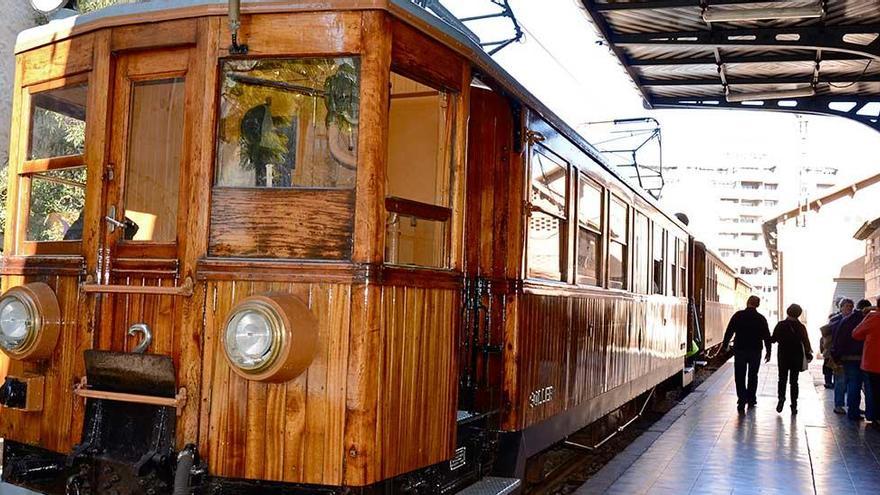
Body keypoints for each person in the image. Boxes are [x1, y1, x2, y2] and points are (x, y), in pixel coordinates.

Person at [722, 295, 772, 411]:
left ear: (747, 302)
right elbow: (767, 336)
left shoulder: (738, 315)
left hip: (740, 350)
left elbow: (729, 331)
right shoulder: (761, 318)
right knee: (753, 375)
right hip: (755, 350)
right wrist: (768, 352)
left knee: (740, 375)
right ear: (757, 305)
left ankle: (742, 399)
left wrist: (725, 345)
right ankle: (751, 398)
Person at [831, 299, 873, 420]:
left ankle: (852, 410)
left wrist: (837, 356)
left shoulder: (846, 320)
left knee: (853, 383)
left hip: (848, 357)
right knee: (867, 386)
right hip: (864, 357)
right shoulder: (868, 320)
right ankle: (869, 413)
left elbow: (838, 339)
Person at [771, 304, 813, 414]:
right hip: (796, 356)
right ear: (799, 314)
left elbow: (773, 339)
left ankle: (781, 399)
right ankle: (794, 405)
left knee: (782, 379)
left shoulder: (781, 325)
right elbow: (806, 341)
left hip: (783, 355)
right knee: (794, 381)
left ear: (788, 312)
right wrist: (808, 354)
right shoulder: (801, 327)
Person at [853, 299, 880, 431]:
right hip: (873, 363)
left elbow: (856, 334)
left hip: (873, 363)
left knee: (874, 391)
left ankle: (876, 417)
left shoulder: (873, 318)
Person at [831, 298, 855, 413]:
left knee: (851, 382)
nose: (849, 309)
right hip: (839, 356)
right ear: (840, 308)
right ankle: (838, 405)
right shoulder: (835, 320)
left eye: (851, 306)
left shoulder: (855, 320)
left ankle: (852, 406)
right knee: (840, 381)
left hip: (852, 356)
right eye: (846, 306)